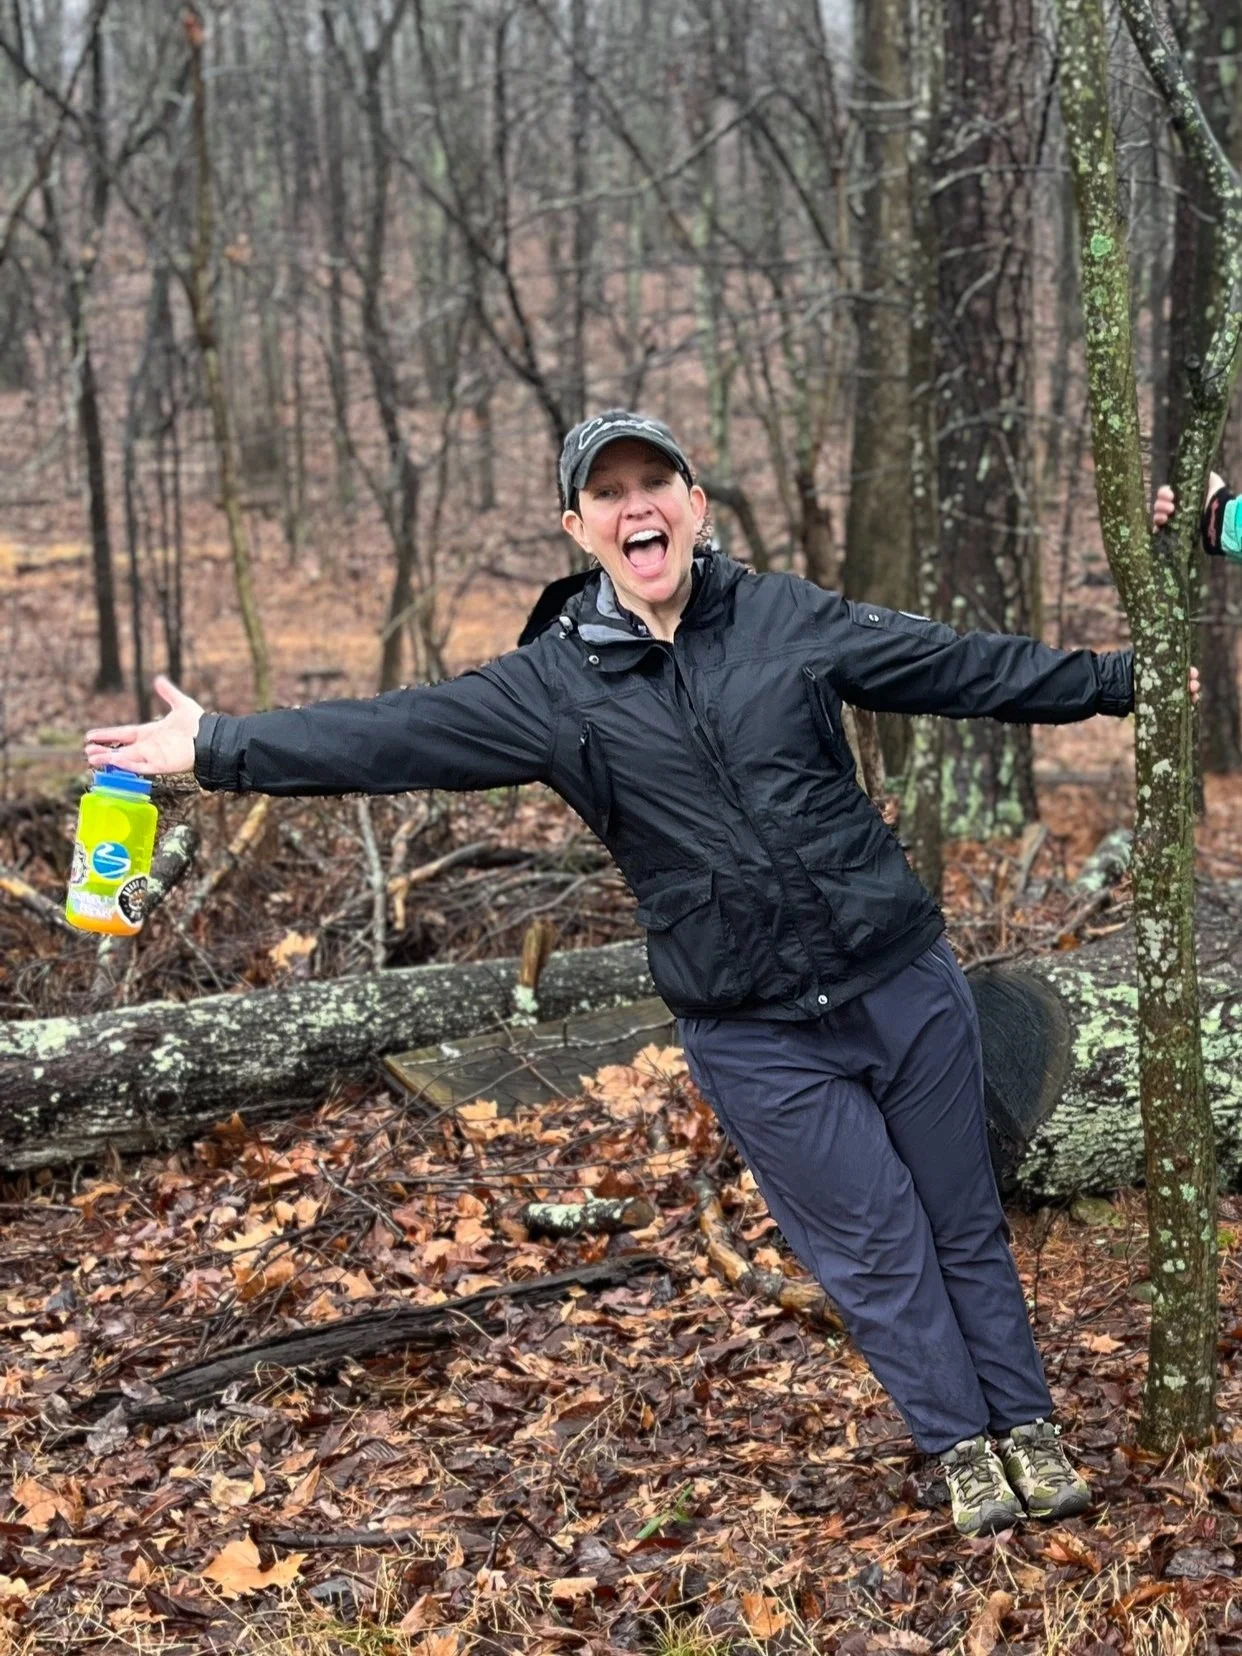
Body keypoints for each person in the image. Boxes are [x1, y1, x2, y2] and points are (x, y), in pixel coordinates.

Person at [83, 409, 1197, 1537]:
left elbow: (957, 667)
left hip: (900, 982)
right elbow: (385, 734)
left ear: (695, 504)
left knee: (962, 1221)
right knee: (876, 1248)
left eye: (652, 481)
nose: (635, 505)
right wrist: (215, 748)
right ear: (581, 529)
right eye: (607, 493)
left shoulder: (784, 615)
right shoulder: (549, 687)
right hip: (754, 1030)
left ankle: (1031, 1429)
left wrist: (1119, 680)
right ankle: (964, 1445)